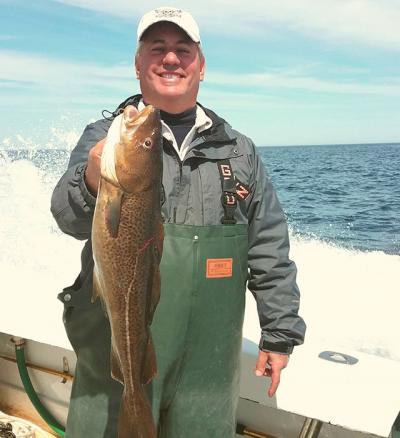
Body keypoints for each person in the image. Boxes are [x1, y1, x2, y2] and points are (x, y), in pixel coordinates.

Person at [51, 6, 306, 438]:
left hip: (206, 370)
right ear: (137, 66)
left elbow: (268, 242)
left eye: (183, 50)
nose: (171, 59)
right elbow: (67, 217)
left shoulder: (239, 151)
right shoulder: (105, 135)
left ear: (201, 68)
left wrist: (279, 332)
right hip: (120, 351)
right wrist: (92, 179)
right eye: (158, 49)